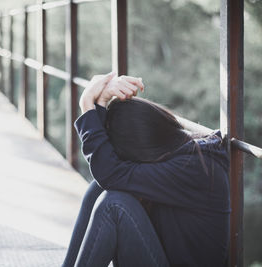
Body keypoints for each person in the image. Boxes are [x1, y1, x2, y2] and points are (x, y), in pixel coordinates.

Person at [62, 72, 230, 267]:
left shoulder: (192, 167)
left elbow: (111, 172)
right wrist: (99, 105)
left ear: (140, 150)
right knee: (97, 189)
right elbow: (109, 172)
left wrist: (87, 104)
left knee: (114, 204)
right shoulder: (172, 152)